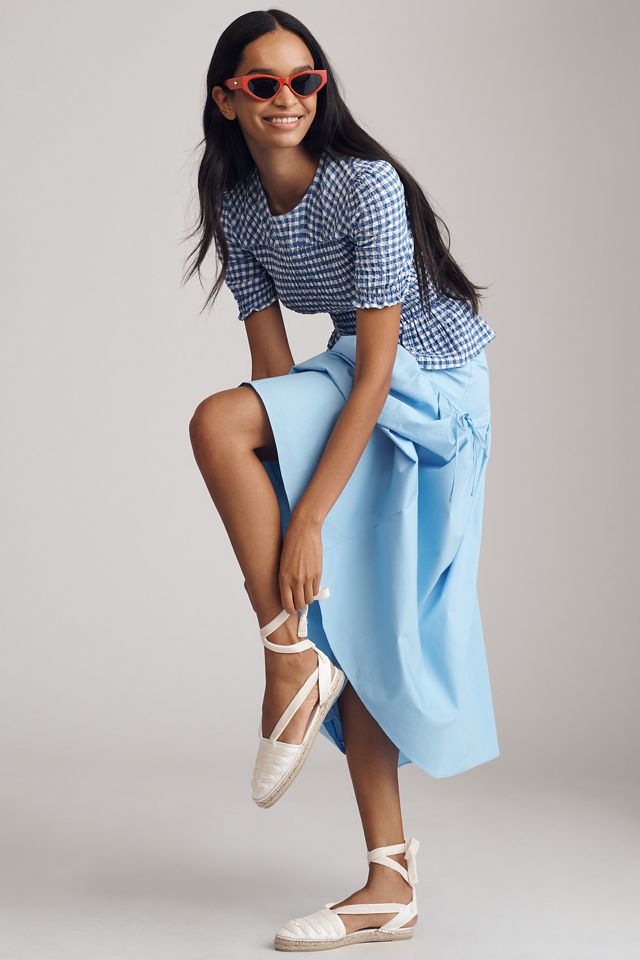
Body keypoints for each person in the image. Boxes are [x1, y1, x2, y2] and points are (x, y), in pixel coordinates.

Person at [184, 8, 500, 952]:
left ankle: (290, 664)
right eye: (263, 83)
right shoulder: (239, 205)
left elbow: (380, 369)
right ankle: (384, 874)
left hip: (431, 393)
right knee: (234, 440)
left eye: (304, 81)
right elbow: (272, 377)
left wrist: (311, 518)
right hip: (347, 378)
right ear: (227, 98)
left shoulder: (365, 184)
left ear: (320, 91)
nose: (286, 99)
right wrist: (287, 499)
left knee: (377, 623)